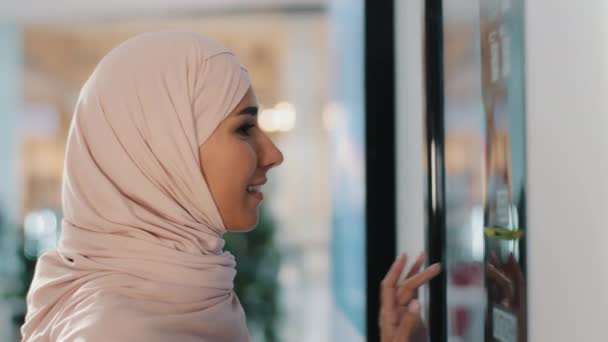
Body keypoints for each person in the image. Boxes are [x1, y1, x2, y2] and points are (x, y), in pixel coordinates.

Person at [21, 31, 440, 342]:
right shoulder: (117, 330)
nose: (273, 153)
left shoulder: (186, 295)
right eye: (244, 128)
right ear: (165, 150)